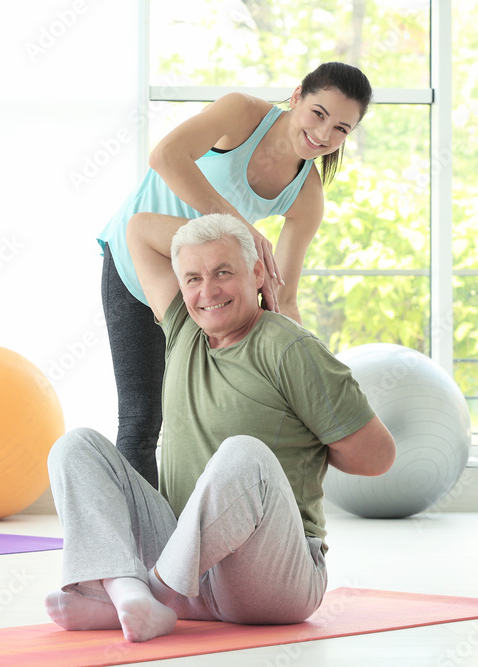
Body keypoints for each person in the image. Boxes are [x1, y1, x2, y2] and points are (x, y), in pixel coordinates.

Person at [45, 214, 395, 643]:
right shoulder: (183, 327)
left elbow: (378, 457)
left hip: (271, 580)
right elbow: (136, 231)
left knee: (243, 453)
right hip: (186, 565)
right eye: (193, 278)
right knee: (75, 446)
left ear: (257, 272)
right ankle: (128, 592)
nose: (206, 291)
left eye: (223, 272)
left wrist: (311, 441)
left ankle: (138, 596)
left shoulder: (289, 347)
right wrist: (242, 234)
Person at [98, 62, 374, 488]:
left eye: (340, 129)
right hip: (136, 263)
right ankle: (133, 550)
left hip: (198, 293)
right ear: (297, 95)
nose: (323, 136)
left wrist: (301, 371)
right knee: (140, 418)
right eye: (318, 114)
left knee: (196, 421)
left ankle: (186, 544)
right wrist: (241, 227)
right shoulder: (243, 113)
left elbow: (285, 295)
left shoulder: (306, 195)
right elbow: (166, 156)